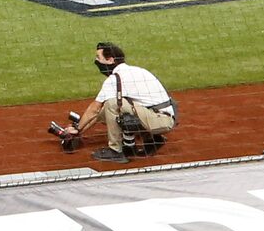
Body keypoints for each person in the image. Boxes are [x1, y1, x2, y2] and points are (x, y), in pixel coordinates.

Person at [52, 41, 180, 163]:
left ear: (110, 60)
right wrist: (78, 129)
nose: (96, 61)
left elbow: (95, 109)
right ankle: (153, 138)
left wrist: (78, 128)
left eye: (98, 57)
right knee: (114, 109)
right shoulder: (138, 70)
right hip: (165, 116)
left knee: (112, 104)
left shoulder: (114, 79)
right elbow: (99, 115)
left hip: (158, 120)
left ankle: (115, 151)